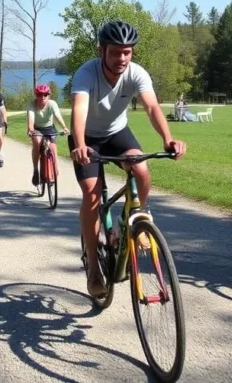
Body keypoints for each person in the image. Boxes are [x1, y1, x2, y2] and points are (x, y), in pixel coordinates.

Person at [69, 20, 187, 298]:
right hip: (86, 137)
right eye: (115, 52)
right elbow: (79, 108)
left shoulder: (137, 73)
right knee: (92, 194)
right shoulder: (87, 73)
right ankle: (94, 270)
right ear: (102, 51)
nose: (122, 58)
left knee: (141, 169)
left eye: (127, 52)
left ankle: (135, 218)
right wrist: (81, 145)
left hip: (117, 133)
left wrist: (168, 139)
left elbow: (152, 106)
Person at [26, 83, 70, 186]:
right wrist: (31, 129)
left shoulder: (52, 104)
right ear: (36, 95)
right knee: (36, 142)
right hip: (37, 129)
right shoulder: (31, 104)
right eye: (39, 95)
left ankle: (54, 172)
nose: (42, 97)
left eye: (45, 95)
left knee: (53, 149)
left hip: (49, 128)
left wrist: (64, 127)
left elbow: (57, 116)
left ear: (48, 95)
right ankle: (36, 170)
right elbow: (31, 119)